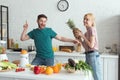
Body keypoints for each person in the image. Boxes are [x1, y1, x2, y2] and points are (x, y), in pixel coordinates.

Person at [73, 13, 102, 80]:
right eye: (84, 19)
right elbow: (86, 48)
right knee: (88, 76)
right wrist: (80, 39)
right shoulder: (87, 32)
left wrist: (82, 36)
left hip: (93, 56)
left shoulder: (92, 29)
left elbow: (91, 45)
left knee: (97, 76)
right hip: (88, 55)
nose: (85, 20)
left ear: (92, 22)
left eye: (87, 19)